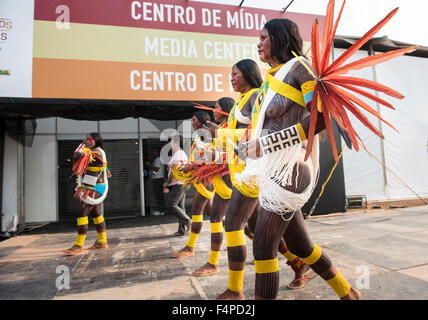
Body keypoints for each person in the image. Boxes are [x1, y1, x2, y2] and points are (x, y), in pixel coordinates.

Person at [239, 18, 360, 300]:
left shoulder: (300, 68)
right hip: (271, 171)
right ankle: (348, 292)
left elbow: (319, 120)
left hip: (292, 170)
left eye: (264, 37)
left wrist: (268, 143)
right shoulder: (272, 78)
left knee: (263, 246)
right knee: (302, 246)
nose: (259, 43)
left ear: (281, 38)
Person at [213, 59, 314, 300]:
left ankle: (235, 289)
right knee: (262, 232)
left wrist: (224, 136)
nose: (231, 78)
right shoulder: (241, 100)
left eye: (235, 73)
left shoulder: (256, 95)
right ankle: (299, 263)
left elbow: (259, 133)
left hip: (260, 172)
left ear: (248, 74)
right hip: (246, 172)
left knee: (240, 227)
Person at [171, 111, 215, 257]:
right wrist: (190, 165)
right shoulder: (200, 136)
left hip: (206, 180)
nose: (192, 122)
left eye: (194, 120)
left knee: (197, 212)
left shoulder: (208, 135)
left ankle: (190, 247)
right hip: (202, 179)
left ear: (202, 120)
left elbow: (211, 157)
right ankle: (245, 238)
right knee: (215, 215)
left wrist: (191, 167)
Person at [63, 133, 110, 255]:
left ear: (97, 141)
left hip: (95, 188)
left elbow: (78, 154)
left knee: (82, 212)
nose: (88, 141)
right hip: (91, 186)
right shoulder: (92, 151)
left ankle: (78, 245)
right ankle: (102, 241)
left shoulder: (98, 152)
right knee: (96, 213)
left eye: (90, 139)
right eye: (87, 139)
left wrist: (82, 144)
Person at [163, 135, 191, 236]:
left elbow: (176, 170)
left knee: (171, 204)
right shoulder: (179, 153)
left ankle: (188, 221)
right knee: (180, 206)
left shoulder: (179, 153)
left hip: (179, 183)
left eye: (171, 141)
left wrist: (167, 183)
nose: (170, 143)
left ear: (176, 143)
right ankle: (182, 229)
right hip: (180, 183)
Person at [149, 147, 166, 215]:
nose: (153, 153)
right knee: (159, 195)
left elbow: (156, 169)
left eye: (154, 151)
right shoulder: (158, 159)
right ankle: (161, 210)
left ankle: (161, 210)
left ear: (158, 152)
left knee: (159, 195)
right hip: (158, 179)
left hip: (158, 179)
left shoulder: (158, 159)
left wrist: (149, 165)